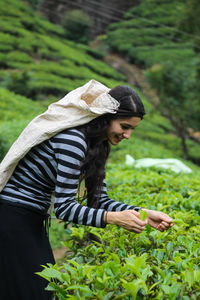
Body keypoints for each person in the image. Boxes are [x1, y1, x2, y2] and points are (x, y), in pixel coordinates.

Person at [0, 80, 173, 300]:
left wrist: (144, 214)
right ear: (106, 118)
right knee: (34, 291)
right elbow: (64, 209)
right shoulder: (73, 140)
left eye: (132, 129)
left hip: (30, 219)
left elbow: (99, 200)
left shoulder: (96, 145)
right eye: (124, 126)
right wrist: (113, 218)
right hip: (13, 219)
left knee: (43, 288)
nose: (127, 135)